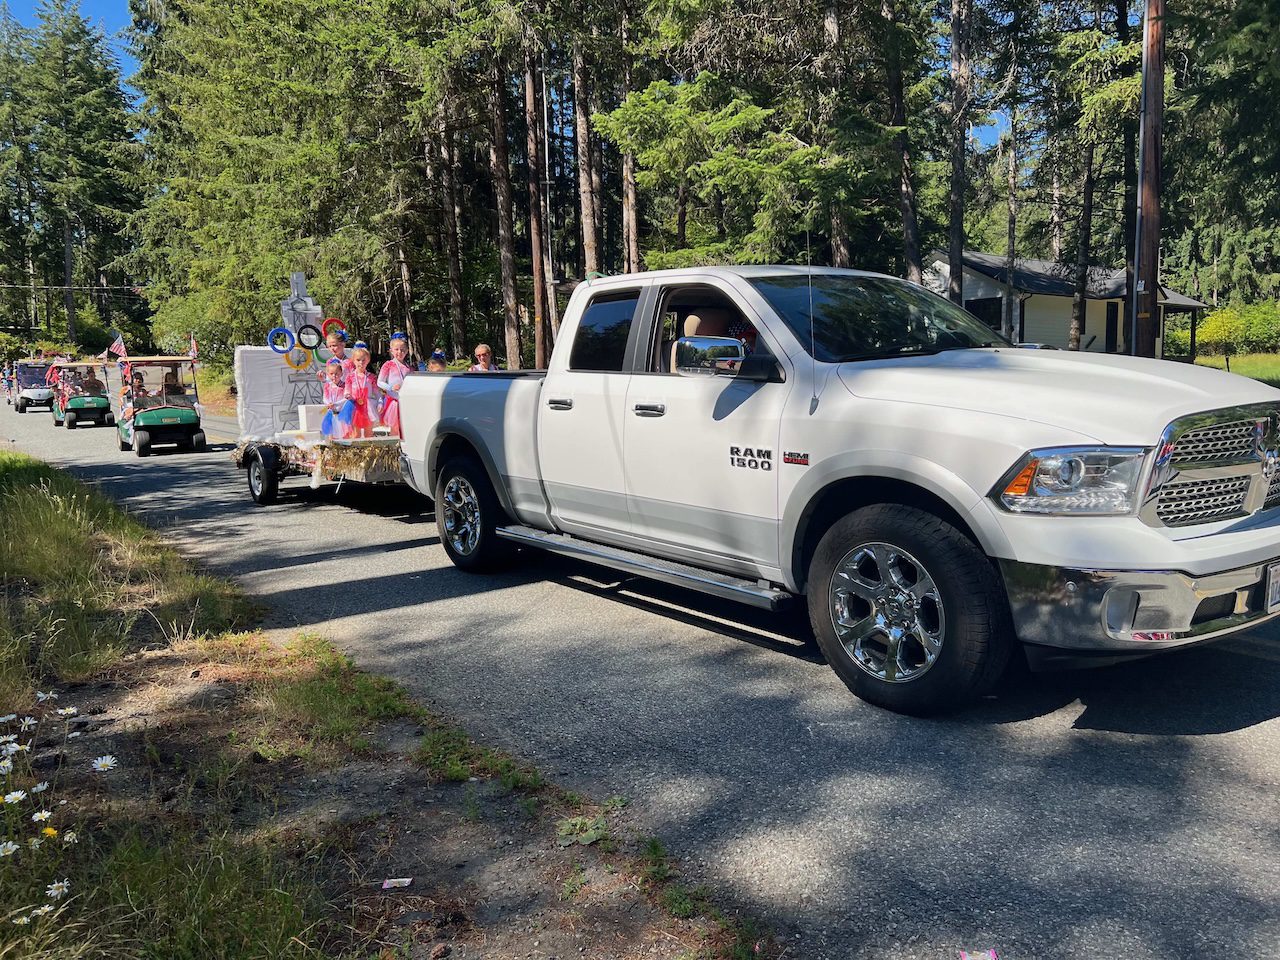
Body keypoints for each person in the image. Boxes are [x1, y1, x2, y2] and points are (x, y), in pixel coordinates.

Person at [340, 343, 381, 439]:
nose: (361, 363)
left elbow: (377, 392)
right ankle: (355, 448)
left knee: (369, 433)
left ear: (368, 361)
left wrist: (380, 402)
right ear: (353, 360)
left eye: (364, 360)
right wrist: (347, 394)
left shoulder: (371, 377)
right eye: (358, 360)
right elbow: (347, 389)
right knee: (355, 434)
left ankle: (369, 448)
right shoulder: (350, 377)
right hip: (355, 405)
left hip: (368, 406)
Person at [377, 332, 412, 438]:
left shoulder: (409, 367)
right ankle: (395, 444)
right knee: (394, 427)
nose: (399, 352)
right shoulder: (388, 365)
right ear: (391, 350)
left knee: (405, 427)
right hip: (393, 402)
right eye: (396, 349)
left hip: (405, 401)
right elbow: (379, 382)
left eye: (403, 350)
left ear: (407, 351)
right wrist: (390, 387)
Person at [319, 359, 345, 438]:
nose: (334, 376)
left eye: (336, 374)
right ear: (328, 374)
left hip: (341, 413)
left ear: (341, 373)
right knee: (331, 433)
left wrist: (335, 404)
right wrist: (328, 404)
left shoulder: (344, 385)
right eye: (331, 374)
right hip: (331, 412)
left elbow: (346, 399)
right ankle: (332, 442)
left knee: (343, 433)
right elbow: (325, 397)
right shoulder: (327, 385)